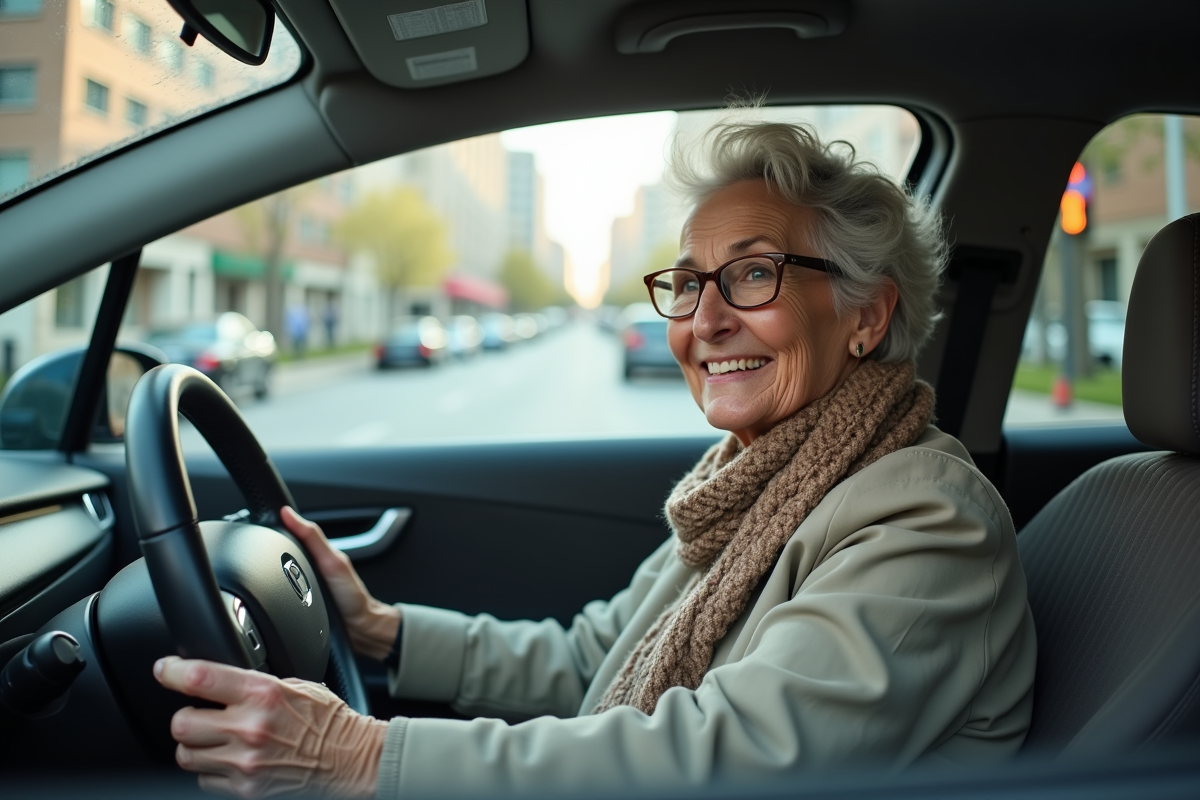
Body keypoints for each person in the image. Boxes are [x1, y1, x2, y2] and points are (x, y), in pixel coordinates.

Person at [153, 120, 1036, 798]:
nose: (705, 320)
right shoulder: (753, 482)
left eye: (754, 274)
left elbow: (733, 760)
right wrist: (384, 629)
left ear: (868, 317)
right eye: (688, 283)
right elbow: (593, 662)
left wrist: (362, 756)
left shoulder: (925, 517)